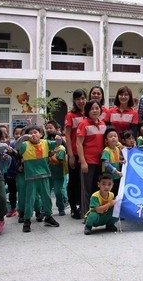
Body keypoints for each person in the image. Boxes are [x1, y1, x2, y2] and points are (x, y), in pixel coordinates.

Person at [15, 125, 62, 232]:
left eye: (35, 132)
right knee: (30, 199)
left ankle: (48, 217)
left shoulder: (45, 143)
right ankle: (27, 220)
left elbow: (57, 143)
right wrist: (23, 137)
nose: (33, 134)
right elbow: (17, 146)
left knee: (46, 198)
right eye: (30, 133)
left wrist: (58, 139)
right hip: (31, 177)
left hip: (45, 175)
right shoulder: (25, 145)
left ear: (41, 134)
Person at [76, 100, 108, 217]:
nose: (95, 111)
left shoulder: (103, 124)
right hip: (88, 162)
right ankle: (86, 214)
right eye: (92, 109)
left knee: (97, 189)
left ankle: (97, 213)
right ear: (88, 111)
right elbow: (79, 144)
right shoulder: (83, 124)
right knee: (87, 190)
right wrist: (83, 162)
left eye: (97, 108)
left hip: (101, 162)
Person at [65, 89, 87, 219]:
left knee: (83, 181)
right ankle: (73, 207)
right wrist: (71, 155)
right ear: (74, 100)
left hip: (86, 153)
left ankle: (82, 205)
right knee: (74, 181)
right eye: (78, 99)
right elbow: (67, 136)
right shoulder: (70, 115)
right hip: (74, 152)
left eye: (83, 98)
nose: (81, 101)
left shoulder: (90, 114)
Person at [45, 120, 67, 217]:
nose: (48, 130)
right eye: (47, 128)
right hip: (47, 173)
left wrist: (51, 156)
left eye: (51, 128)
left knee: (58, 192)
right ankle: (44, 208)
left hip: (58, 174)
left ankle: (61, 207)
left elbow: (59, 159)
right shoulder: (44, 143)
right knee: (45, 192)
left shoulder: (61, 145)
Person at [101, 127, 124, 197]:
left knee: (117, 193)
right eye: (110, 137)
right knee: (110, 194)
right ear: (106, 140)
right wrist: (115, 171)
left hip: (117, 177)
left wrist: (121, 161)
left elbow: (116, 160)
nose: (113, 138)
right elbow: (106, 163)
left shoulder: (117, 149)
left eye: (115, 136)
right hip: (108, 177)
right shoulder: (106, 151)